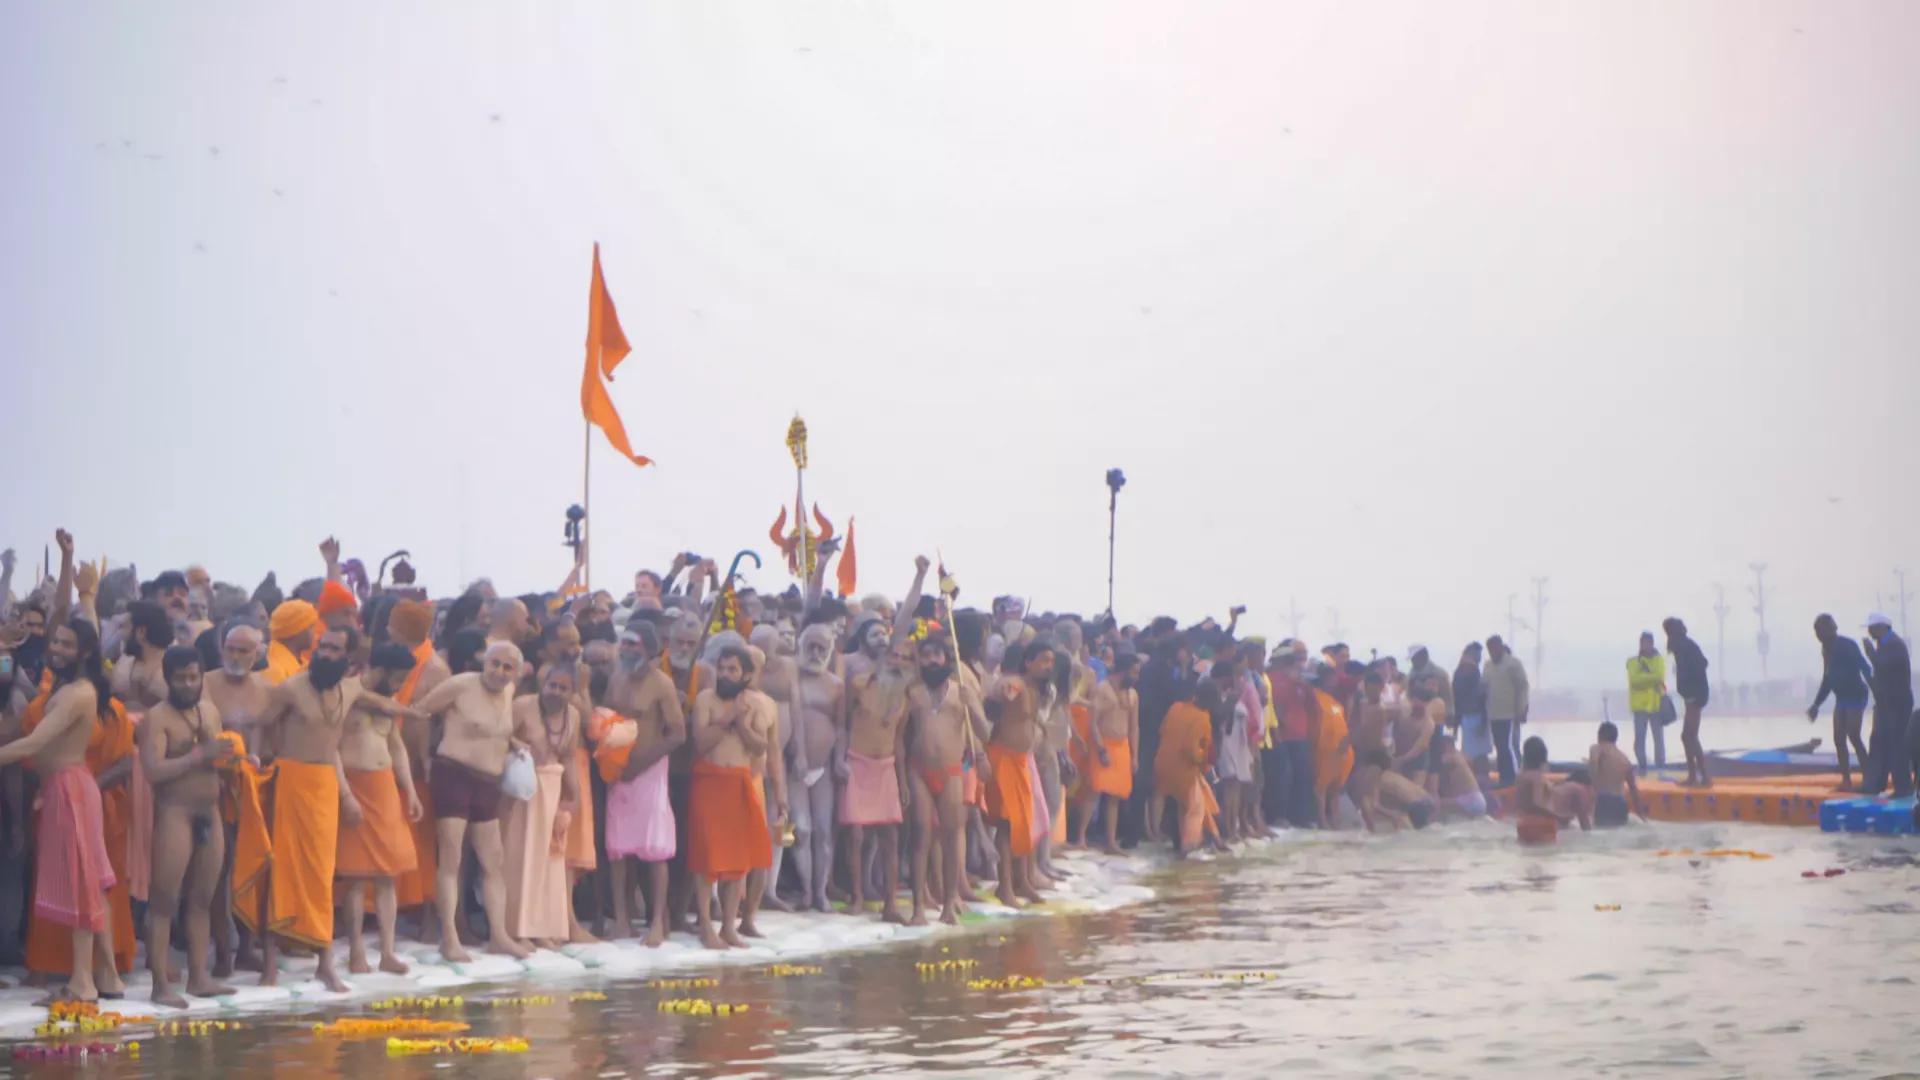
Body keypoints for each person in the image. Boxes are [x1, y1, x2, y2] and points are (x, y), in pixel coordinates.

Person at [251, 625, 409, 991]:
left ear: (349, 659)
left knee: (323, 875)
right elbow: (261, 723)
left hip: (324, 786)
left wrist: (418, 713)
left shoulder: (351, 689)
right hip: (290, 781)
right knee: (283, 871)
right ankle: (270, 965)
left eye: (335, 649)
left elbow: (382, 704)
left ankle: (325, 963)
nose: (325, 653)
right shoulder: (290, 688)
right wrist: (257, 760)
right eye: (323, 646)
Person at [0, 617, 126, 1005]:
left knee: (81, 884)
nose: (56, 649)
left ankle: (82, 983)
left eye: (66, 644)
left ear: (85, 652)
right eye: (54, 641)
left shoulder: (79, 694)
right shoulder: (70, 687)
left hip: (71, 788)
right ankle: (108, 976)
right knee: (92, 881)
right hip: (65, 788)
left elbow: (34, 743)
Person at [409, 640, 532, 962]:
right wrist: (424, 757)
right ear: (484, 662)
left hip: (488, 782)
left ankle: (499, 935)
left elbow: (496, 730)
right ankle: (449, 937)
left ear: (516, 672)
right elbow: (419, 711)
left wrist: (515, 742)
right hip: (454, 775)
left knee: (493, 860)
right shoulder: (460, 685)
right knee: (451, 859)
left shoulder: (508, 691)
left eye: (507, 667)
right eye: (495, 664)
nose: (500, 672)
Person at [139, 645, 238, 1007]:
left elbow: (219, 758)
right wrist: (198, 755)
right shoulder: (157, 718)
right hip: (175, 813)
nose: (187, 684)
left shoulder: (210, 711)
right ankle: (160, 985)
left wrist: (236, 759)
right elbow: (153, 771)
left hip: (209, 811)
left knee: (202, 899)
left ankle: (199, 978)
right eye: (180, 678)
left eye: (193, 677)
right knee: (165, 901)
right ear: (167, 680)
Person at [837, 559, 925, 922]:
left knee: (890, 836)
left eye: (905, 658)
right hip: (857, 762)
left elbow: (900, 742)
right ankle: (858, 896)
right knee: (856, 836)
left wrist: (902, 780)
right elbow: (843, 722)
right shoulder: (861, 683)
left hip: (886, 765)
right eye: (895, 655)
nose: (899, 660)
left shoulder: (905, 697)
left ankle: (890, 903)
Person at [335, 642, 424, 975]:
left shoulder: (389, 705)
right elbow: (330, 747)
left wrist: (410, 791)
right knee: (356, 878)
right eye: (398, 678)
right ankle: (357, 951)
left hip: (385, 788)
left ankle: (387, 951)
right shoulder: (347, 693)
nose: (400, 686)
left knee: (388, 876)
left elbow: (397, 747)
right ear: (381, 671)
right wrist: (345, 794)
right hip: (355, 787)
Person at [686, 646, 776, 949]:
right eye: (722, 668)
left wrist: (741, 722)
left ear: (746, 675)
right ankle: (705, 926)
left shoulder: (754, 704)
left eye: (732, 670)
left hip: (739, 782)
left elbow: (760, 746)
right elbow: (700, 742)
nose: (725, 674)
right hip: (709, 782)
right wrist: (728, 719)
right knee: (706, 858)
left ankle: (728, 927)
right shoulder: (705, 700)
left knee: (738, 859)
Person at [602, 621, 684, 947]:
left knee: (655, 848)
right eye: (625, 644)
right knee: (618, 849)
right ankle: (622, 920)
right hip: (617, 771)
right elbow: (605, 719)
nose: (627, 650)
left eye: (635, 645)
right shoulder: (617, 677)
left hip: (649, 771)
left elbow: (678, 734)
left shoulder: (662, 684)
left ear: (650, 651)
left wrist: (641, 763)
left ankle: (656, 923)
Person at [906, 631, 988, 925]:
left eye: (936, 655)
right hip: (918, 770)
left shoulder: (961, 690)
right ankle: (917, 907)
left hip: (953, 771)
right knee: (922, 836)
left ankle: (950, 901)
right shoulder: (913, 692)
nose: (930, 661)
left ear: (946, 659)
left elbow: (984, 732)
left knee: (953, 836)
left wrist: (972, 706)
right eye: (925, 656)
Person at [201, 621, 268, 976]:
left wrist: (257, 762)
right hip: (214, 787)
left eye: (244, 650)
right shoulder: (206, 684)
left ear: (257, 654)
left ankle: (247, 945)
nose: (236, 656)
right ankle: (222, 950)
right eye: (231, 648)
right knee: (216, 870)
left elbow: (267, 734)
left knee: (252, 866)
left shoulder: (267, 689)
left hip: (252, 790)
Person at [504, 663, 581, 950]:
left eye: (563, 688)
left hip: (553, 787)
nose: (556, 693)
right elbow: (499, 734)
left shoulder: (572, 715)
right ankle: (517, 929)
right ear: (542, 685)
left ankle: (544, 928)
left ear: (572, 693)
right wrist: (517, 745)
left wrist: (574, 797)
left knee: (550, 861)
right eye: (552, 686)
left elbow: (570, 756)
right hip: (522, 789)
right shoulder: (523, 706)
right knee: (521, 860)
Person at [984, 643, 1052, 905]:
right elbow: (1004, 691)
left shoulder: (1035, 687)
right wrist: (1006, 691)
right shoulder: (1016, 683)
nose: (1048, 666)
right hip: (1003, 760)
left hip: (1023, 761)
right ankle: (1005, 886)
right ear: (1027, 662)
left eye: (1051, 661)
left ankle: (1022, 881)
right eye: (1043, 660)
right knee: (1007, 824)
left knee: (1024, 822)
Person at [782, 623, 842, 913]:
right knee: (801, 830)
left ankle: (821, 892)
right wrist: (797, 752)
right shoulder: (789, 675)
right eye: (811, 647)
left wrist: (839, 759)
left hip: (823, 768)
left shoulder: (836, 684)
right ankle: (806, 890)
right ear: (800, 646)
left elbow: (841, 727)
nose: (816, 653)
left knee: (823, 832)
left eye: (823, 648)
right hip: (793, 765)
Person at [1076, 652, 1139, 853]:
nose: (1137, 677)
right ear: (1124, 671)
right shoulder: (1103, 689)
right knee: (1094, 791)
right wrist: (1101, 749)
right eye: (1134, 672)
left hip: (1122, 747)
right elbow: (1093, 723)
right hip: (1102, 744)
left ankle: (1110, 842)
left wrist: (1135, 755)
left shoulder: (1133, 694)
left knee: (1116, 795)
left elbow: (1134, 727)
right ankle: (1080, 837)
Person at [1806, 614, 1872, 791]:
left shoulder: (1847, 645)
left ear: (1832, 629)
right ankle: (1846, 781)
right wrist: (1816, 704)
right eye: (1817, 632)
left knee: (1853, 735)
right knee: (1838, 738)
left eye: (1822, 630)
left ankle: (1869, 778)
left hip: (1857, 695)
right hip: (1842, 698)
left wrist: (1878, 691)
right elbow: (1827, 679)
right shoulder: (1825, 650)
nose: (1819, 635)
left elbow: (1865, 667)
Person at [1154, 681, 1219, 855]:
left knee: (1181, 807)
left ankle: (1185, 843)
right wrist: (1203, 761)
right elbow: (1191, 749)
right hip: (1184, 770)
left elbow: (1162, 730)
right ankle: (1188, 846)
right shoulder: (1202, 718)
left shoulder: (1175, 707)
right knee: (1194, 808)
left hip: (1162, 764)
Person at [1861, 612, 1913, 799]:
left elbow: (1884, 666)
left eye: (1872, 627)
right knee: (1878, 741)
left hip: (1897, 704)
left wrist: (1871, 654)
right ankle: (1875, 783)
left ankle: (1903, 787)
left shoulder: (1894, 645)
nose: (1869, 631)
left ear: (1882, 627)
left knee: (1896, 744)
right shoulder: (1883, 645)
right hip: (1884, 703)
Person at [1663, 618, 1711, 788]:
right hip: (1694, 694)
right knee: (1688, 736)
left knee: (1689, 735)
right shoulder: (1685, 645)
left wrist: (1691, 692)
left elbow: (1699, 666)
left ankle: (1702, 777)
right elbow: (1702, 663)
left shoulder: (1683, 646)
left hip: (1695, 695)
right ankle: (1696, 776)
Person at [1483, 636, 1528, 786]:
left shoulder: (1513, 664)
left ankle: (1510, 778)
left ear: (1501, 647)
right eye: (1489, 649)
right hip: (1494, 713)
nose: (1492, 652)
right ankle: (1504, 776)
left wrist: (1521, 709)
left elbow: (1522, 687)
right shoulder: (1488, 666)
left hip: (1509, 713)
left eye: (1494, 648)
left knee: (1506, 746)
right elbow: (1484, 687)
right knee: (1499, 746)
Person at [1587, 721, 1647, 827]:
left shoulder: (1597, 748)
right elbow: (1633, 790)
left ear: (1600, 736)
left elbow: (1593, 767)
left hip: (1603, 801)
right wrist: (1642, 815)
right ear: (1615, 738)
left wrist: (1590, 789)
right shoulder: (1624, 759)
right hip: (1620, 804)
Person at [1625, 632, 1668, 774]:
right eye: (1643, 642)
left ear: (1652, 643)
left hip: (1656, 706)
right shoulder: (1632, 662)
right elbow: (1634, 681)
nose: (1645, 645)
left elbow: (1659, 677)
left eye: (1648, 642)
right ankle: (1642, 767)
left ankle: (1660, 767)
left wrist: (1644, 678)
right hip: (1639, 707)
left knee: (1659, 739)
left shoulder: (1659, 660)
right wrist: (1651, 678)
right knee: (1639, 739)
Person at [1452, 642, 1489, 781]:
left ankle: (1474, 780)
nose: (1480, 657)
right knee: (1479, 755)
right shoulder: (1472, 671)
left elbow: (1456, 698)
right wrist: (1484, 719)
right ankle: (1481, 782)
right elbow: (1480, 697)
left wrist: (1455, 725)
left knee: (1470, 753)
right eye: (1478, 654)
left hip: (1465, 717)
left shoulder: (1459, 671)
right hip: (1475, 716)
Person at [1513, 736, 1559, 845]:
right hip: (1541, 825)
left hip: (1522, 824)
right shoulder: (1538, 777)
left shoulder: (1520, 777)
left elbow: (1519, 802)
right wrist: (1555, 814)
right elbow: (1537, 803)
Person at [263, 599, 319, 686]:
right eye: (311, 627)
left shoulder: (303, 663)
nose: (315, 633)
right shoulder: (274, 670)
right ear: (297, 630)